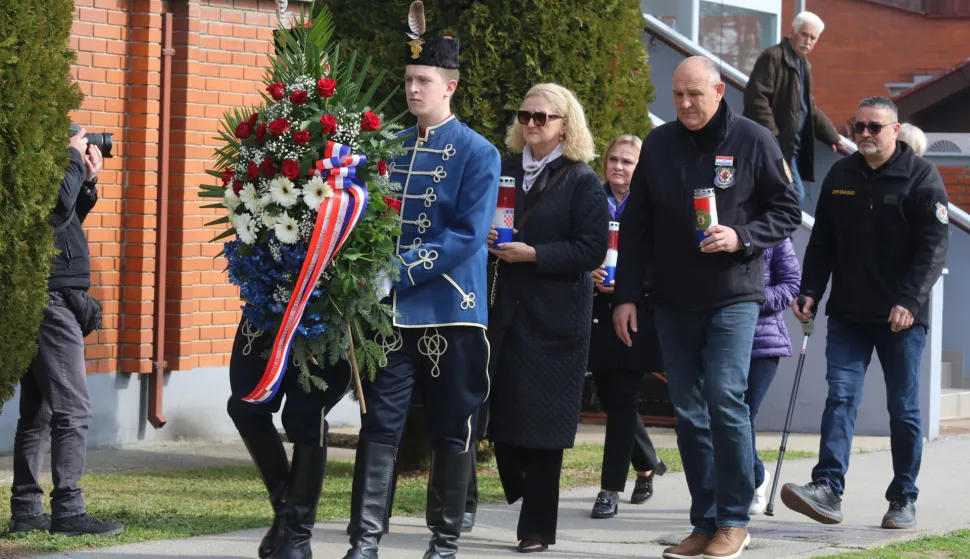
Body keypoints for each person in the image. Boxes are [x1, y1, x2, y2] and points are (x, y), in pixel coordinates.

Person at [613, 56, 800, 559]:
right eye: (677, 94)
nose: (685, 103)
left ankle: (735, 520)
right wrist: (627, 295)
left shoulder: (754, 140)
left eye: (694, 93)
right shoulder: (658, 145)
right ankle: (705, 520)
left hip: (733, 296)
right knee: (690, 413)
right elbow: (636, 226)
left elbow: (787, 210)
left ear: (719, 91)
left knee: (724, 399)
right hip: (673, 300)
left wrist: (742, 236)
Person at [342, 2, 501, 558]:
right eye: (409, 79)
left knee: (452, 429)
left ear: (449, 86)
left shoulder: (479, 152)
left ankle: (445, 541)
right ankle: (364, 540)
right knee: (379, 426)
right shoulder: (391, 147)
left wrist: (397, 271)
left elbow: (467, 234)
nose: (412, 89)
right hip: (392, 317)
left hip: (451, 313)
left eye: (423, 81)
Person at [783, 96, 949, 530]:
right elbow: (823, 242)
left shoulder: (922, 176)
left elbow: (934, 248)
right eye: (858, 127)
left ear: (895, 130)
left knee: (903, 410)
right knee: (840, 397)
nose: (865, 134)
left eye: (875, 127)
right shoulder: (841, 174)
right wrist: (810, 291)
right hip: (848, 315)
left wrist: (909, 300)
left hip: (901, 319)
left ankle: (903, 498)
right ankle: (827, 488)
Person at [486, 83, 607, 553]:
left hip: (556, 319)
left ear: (565, 125)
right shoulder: (505, 169)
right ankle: (519, 486)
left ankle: (536, 529)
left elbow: (591, 249)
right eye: (525, 116)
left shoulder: (581, 179)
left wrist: (535, 253)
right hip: (506, 311)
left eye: (542, 117)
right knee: (502, 415)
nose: (531, 124)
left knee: (543, 428)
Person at [8, 129, 124, 537]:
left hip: (48, 296)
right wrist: (73, 157)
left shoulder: (44, 171)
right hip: (51, 301)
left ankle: (26, 510)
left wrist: (87, 181)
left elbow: (64, 223)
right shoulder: (32, 166)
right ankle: (69, 510)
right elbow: (56, 208)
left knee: (38, 412)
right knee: (73, 410)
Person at [587, 134, 667, 520]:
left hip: (636, 311)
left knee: (621, 397)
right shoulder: (591, 199)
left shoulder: (652, 205)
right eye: (613, 159)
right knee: (611, 397)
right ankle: (647, 462)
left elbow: (664, 260)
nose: (618, 167)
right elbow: (577, 242)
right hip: (594, 310)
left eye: (627, 161)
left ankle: (609, 489)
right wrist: (588, 268)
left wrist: (632, 284)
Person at [227, 322, 353, 558]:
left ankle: (297, 535)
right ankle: (285, 511)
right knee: (244, 406)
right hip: (265, 317)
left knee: (307, 417)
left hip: (323, 321)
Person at [743, 11, 843, 203]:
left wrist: (832, 136)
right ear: (793, 32)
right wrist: (773, 136)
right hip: (776, 145)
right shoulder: (773, 56)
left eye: (813, 38)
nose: (808, 41)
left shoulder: (803, 65)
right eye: (804, 35)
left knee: (787, 196)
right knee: (794, 195)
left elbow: (809, 108)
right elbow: (756, 98)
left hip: (791, 148)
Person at [745, 237, 800, 516]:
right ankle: (755, 475)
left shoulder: (776, 236)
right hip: (720, 340)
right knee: (719, 414)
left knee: (743, 413)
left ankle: (750, 482)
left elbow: (791, 285)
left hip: (763, 344)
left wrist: (752, 298)